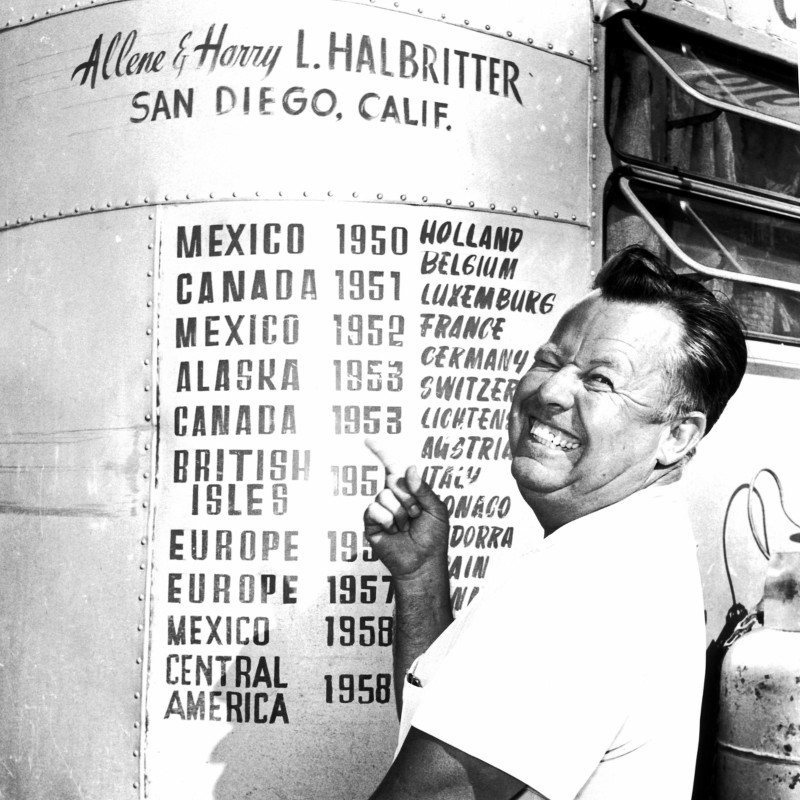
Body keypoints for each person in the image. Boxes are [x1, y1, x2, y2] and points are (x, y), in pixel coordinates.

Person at [362, 246, 747, 800]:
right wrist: (421, 575)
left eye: (600, 380)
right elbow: (448, 744)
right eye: (549, 360)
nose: (549, 391)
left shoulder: (587, 581)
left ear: (676, 436)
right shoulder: (633, 542)